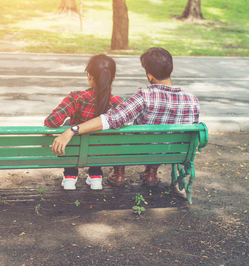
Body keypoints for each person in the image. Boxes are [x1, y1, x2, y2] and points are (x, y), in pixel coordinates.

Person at [51, 47, 200, 187]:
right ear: (172, 69)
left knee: (123, 129)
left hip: (136, 152)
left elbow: (110, 119)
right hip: (170, 152)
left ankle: (119, 173)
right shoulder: (192, 100)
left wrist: (73, 129)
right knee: (160, 137)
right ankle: (151, 173)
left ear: (148, 75)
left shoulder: (144, 97)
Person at [44, 54, 125, 191]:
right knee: (101, 136)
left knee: (68, 124)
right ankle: (95, 175)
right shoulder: (119, 103)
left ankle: (70, 176)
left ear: (89, 76)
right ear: (113, 78)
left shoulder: (77, 98)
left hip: (77, 149)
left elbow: (52, 121)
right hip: (101, 152)